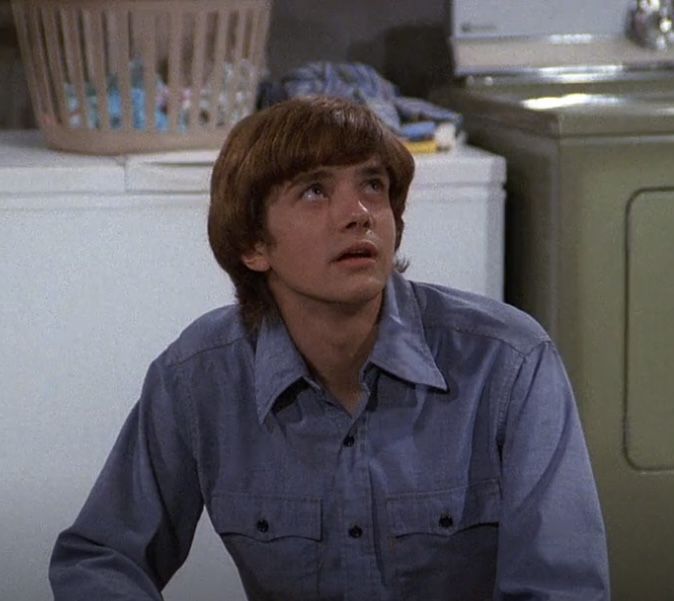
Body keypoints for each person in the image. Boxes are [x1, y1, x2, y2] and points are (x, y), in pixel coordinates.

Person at [49, 96, 610, 601]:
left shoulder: (509, 364)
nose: (358, 213)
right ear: (252, 245)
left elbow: (561, 588)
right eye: (315, 190)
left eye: (372, 186)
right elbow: (100, 557)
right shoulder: (199, 376)